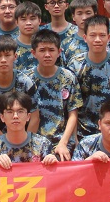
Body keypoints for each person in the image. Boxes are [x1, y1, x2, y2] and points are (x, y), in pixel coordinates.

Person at [31, 30, 82, 162]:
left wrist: (63, 143)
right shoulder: (27, 79)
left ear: (59, 52)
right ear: (33, 53)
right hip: (35, 142)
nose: (47, 55)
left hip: (63, 140)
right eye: (42, 50)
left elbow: (73, 114)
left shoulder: (68, 78)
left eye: (51, 50)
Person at [0, 92, 58, 168]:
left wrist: (53, 162)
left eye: (20, 111)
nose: (15, 116)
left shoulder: (43, 145)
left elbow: (54, 174)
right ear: (2, 117)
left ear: (28, 116)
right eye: (10, 112)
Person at [62, 0, 96, 64]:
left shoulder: (106, 41)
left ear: (95, 15)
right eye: (79, 13)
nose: (84, 18)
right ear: (73, 17)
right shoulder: (66, 44)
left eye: (88, 13)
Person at [12, 1, 43, 74]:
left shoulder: (49, 47)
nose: (28, 23)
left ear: (39, 21)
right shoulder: (10, 47)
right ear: (16, 22)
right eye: (23, 19)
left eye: (32, 19)